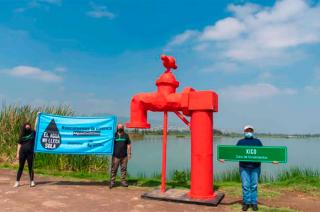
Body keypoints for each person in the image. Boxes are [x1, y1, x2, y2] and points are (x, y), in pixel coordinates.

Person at [237, 125, 263, 211]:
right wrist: (224, 158)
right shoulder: (240, 142)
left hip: (255, 167)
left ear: (253, 132)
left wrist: (273, 160)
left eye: (250, 130)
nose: (249, 132)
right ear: (244, 132)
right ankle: (246, 203)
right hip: (244, 167)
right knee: (245, 186)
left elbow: (265, 154)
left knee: (254, 186)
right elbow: (233, 154)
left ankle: (254, 203)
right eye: (247, 130)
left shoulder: (258, 142)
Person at [14, 122, 37, 187]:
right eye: (26, 127)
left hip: (31, 153)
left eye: (28, 127)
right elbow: (19, 144)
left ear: (30, 127)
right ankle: (17, 182)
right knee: (20, 167)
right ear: (24, 127)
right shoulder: (22, 135)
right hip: (22, 153)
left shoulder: (33, 133)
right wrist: (17, 154)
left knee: (31, 167)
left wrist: (38, 116)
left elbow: (36, 126)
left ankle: (32, 181)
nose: (27, 128)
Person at [109, 123, 131, 188]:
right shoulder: (114, 135)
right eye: (119, 127)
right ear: (117, 128)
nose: (120, 128)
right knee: (114, 169)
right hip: (115, 156)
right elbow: (109, 143)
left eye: (121, 127)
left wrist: (129, 153)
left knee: (123, 169)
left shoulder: (126, 135)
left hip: (124, 156)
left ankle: (123, 182)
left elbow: (129, 145)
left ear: (123, 128)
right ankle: (112, 182)